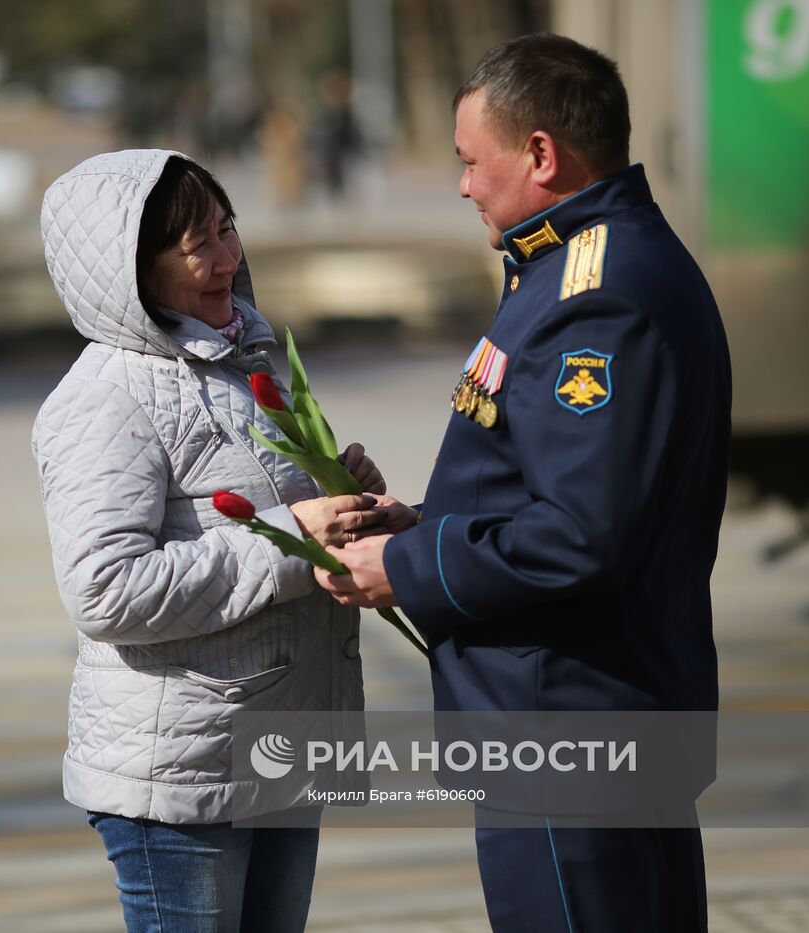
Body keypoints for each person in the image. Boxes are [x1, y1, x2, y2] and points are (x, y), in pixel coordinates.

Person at [314, 34, 732, 932]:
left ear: (541, 153)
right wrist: (414, 524)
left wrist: (410, 569)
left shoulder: (595, 294)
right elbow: (559, 491)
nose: (462, 185)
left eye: (472, 161)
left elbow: (580, 533)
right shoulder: (580, 264)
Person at [32, 149, 389, 933]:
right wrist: (294, 539)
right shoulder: (105, 398)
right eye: (198, 243)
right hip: (183, 777)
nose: (227, 256)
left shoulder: (244, 357)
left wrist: (340, 496)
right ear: (131, 268)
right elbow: (106, 588)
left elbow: (273, 519)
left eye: (228, 229)